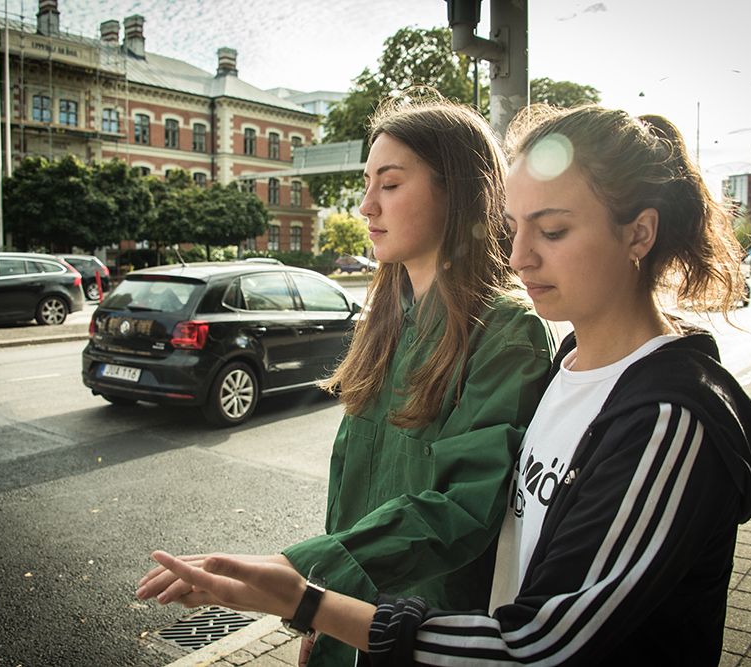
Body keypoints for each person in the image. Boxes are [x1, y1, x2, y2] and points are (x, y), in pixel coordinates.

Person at [142, 104, 751, 666]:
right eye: (516, 226)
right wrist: (325, 609)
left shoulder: (655, 412)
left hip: (436, 631)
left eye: (552, 230)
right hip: (385, 628)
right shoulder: (567, 365)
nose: (520, 255)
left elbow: (533, 634)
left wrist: (308, 590)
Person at [136, 94, 556, 666]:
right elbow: (349, 485)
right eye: (366, 183)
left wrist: (301, 577)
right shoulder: (385, 317)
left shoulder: (507, 332)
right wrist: (317, 611)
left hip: (418, 637)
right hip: (337, 620)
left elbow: (461, 508)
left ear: (458, 192)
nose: (365, 206)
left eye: (390, 183)